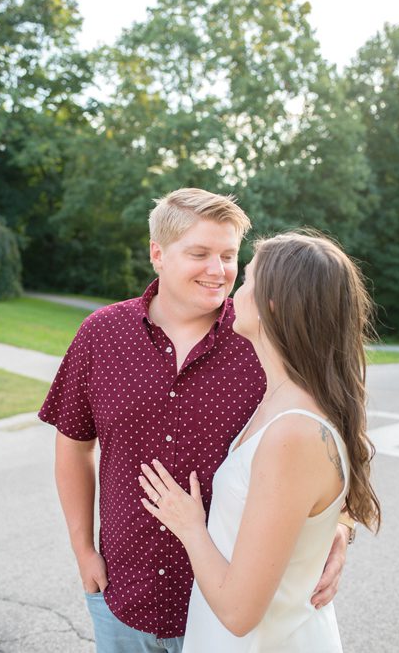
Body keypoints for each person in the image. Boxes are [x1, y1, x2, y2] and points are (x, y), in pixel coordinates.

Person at [39, 189, 351, 652]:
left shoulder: (264, 339)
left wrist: (338, 527)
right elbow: (74, 443)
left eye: (229, 256)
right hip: (122, 595)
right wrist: (83, 549)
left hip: (226, 609)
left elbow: (328, 437)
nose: (218, 270)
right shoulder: (101, 334)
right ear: (158, 254)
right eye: (200, 253)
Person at [139, 231, 380, 651]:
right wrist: (337, 529)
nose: (236, 291)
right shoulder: (281, 398)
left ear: (272, 303)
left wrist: (189, 525)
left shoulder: (294, 432)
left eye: (248, 280)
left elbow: (238, 612)